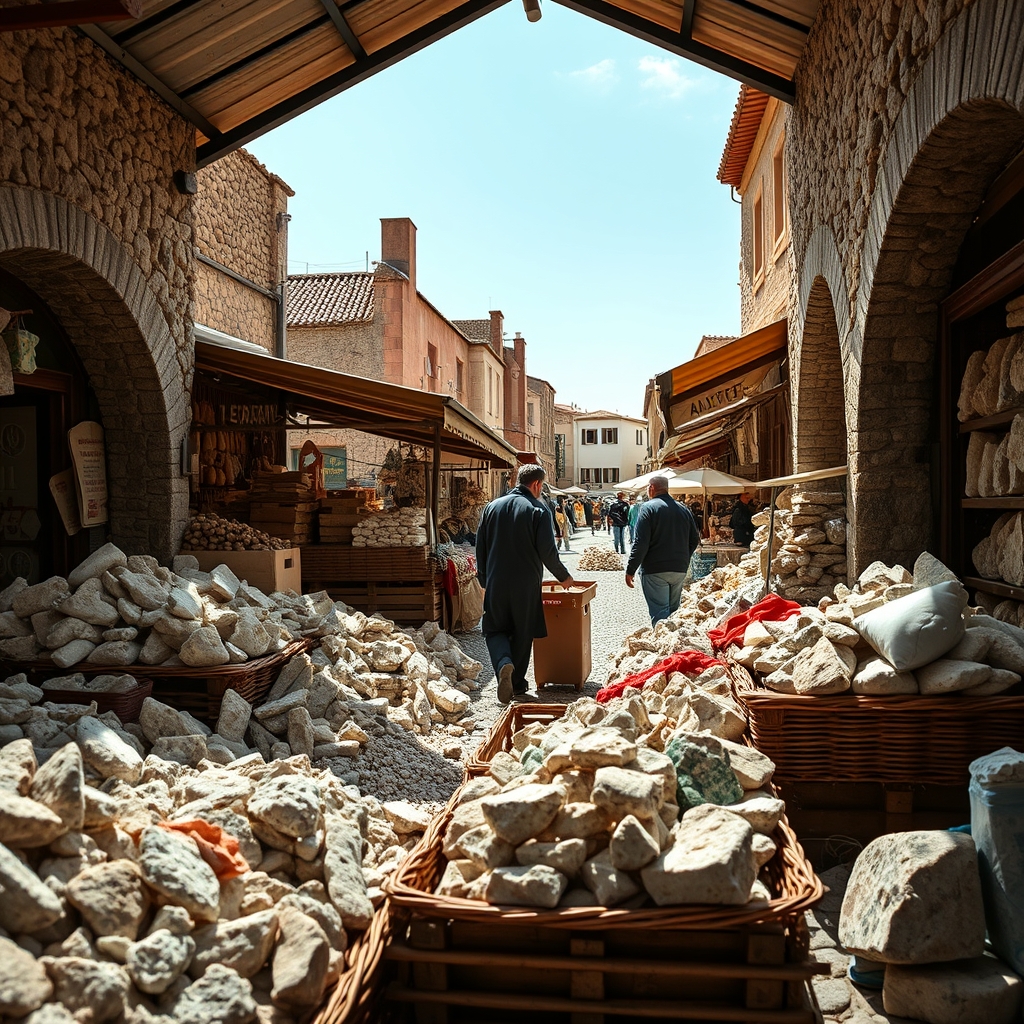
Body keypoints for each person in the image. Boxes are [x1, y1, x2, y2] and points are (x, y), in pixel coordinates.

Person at [475, 465, 575, 704]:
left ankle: (503, 663)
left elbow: (481, 546)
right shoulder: (539, 510)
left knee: (494, 628)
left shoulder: (491, 507)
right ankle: (517, 684)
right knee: (522, 632)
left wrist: (484, 578)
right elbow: (548, 552)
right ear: (537, 485)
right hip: (526, 583)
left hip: (497, 580)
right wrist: (564, 577)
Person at [626, 475, 700, 625]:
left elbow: (641, 542)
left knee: (660, 614)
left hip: (655, 569)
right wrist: (684, 557)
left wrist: (630, 569)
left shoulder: (647, 508)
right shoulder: (683, 509)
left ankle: (665, 645)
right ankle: (676, 644)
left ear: (651, 488)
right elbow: (694, 539)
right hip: (679, 569)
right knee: (673, 612)